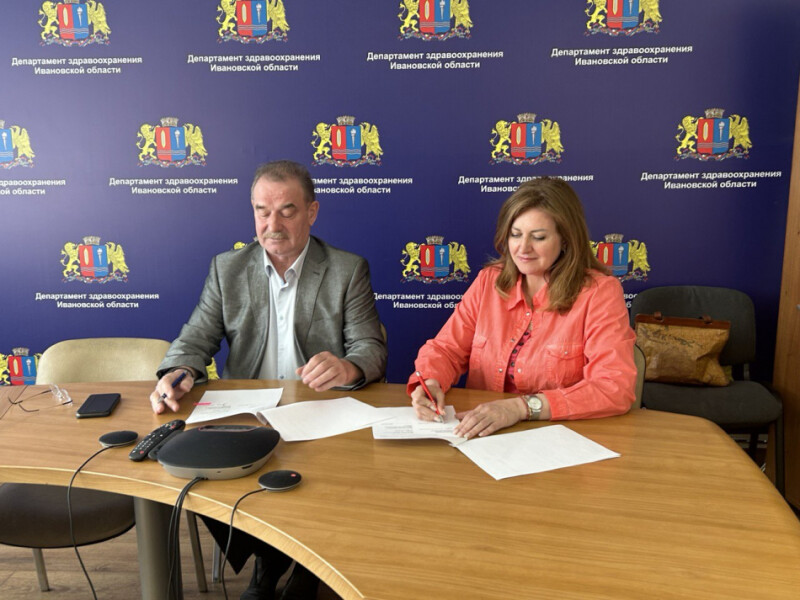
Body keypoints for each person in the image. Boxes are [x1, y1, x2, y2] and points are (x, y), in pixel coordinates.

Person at [151, 160, 387, 600]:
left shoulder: (346, 269)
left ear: (312, 212)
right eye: (262, 211)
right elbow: (195, 337)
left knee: (328, 472)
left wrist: (348, 367)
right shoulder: (227, 268)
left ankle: (306, 567)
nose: (272, 225)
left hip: (320, 411)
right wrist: (179, 371)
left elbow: (370, 348)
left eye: (287, 211)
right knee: (197, 465)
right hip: (248, 413)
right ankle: (268, 558)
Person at [408, 176, 636, 439]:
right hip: (480, 434)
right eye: (515, 235)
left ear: (566, 239)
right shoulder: (489, 281)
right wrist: (430, 382)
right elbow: (446, 349)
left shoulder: (599, 292)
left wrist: (520, 408)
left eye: (538, 237)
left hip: (559, 437)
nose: (523, 248)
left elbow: (613, 387)